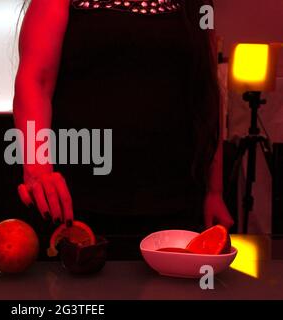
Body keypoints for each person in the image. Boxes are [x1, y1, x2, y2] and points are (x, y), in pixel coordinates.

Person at [13, 0, 234, 235]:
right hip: (77, 198)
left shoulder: (198, 6)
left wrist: (215, 191)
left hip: (176, 196)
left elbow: (207, 89)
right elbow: (36, 82)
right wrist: (38, 171)